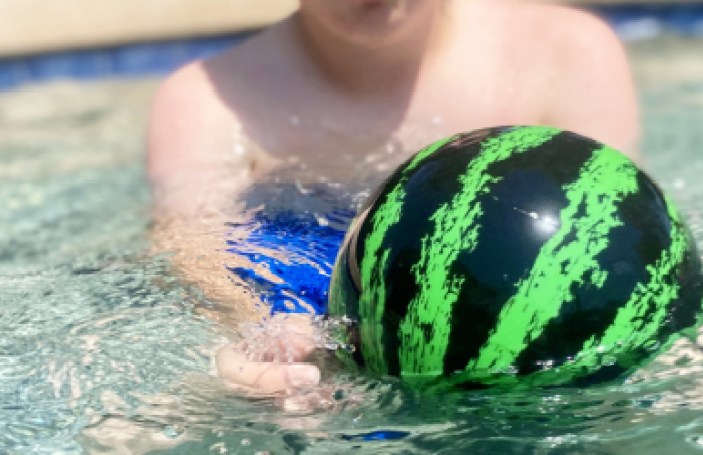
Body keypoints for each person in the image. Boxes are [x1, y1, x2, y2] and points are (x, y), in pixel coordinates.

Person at [147, 0, 639, 407]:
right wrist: (259, 332)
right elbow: (195, 249)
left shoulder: (564, 54)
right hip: (304, 284)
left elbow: (618, 238)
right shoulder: (205, 103)